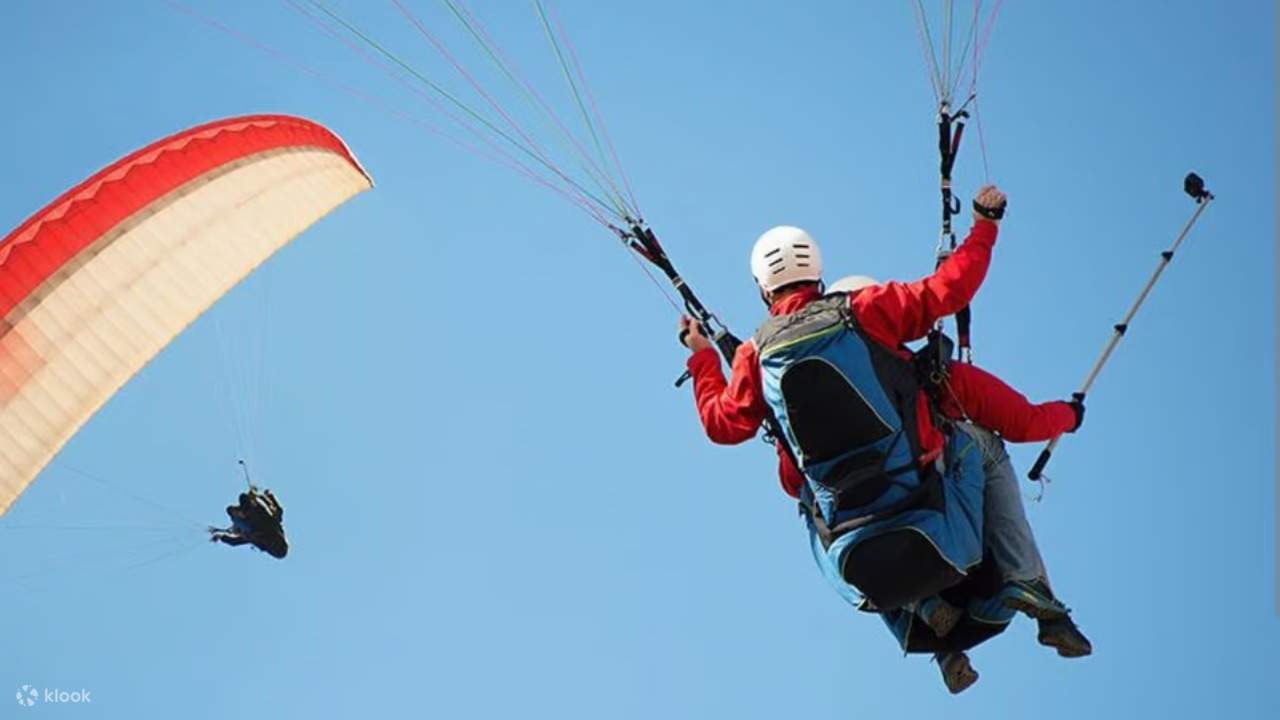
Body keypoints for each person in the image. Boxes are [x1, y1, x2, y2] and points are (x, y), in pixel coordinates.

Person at [678, 187, 1088, 693]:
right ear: (820, 275)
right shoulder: (869, 312)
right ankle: (1028, 582)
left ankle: (930, 628)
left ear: (763, 289)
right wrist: (985, 226)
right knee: (981, 440)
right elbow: (950, 291)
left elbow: (724, 425)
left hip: (856, 551)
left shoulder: (754, 357)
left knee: (807, 498)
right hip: (928, 503)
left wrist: (702, 357)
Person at [209, 487, 288, 559]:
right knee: (241, 500)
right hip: (252, 513)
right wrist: (267, 496)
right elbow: (278, 510)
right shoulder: (263, 539)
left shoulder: (262, 541)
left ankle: (243, 513)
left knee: (238, 503)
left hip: (251, 516)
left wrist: (267, 496)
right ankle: (243, 512)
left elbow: (235, 542)